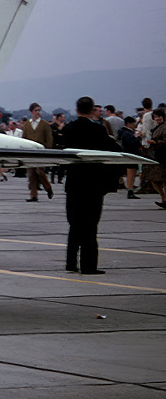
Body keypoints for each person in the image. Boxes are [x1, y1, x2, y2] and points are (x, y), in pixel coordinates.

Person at [58, 96, 118, 274]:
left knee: (75, 223)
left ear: (77, 110)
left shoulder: (68, 129)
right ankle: (88, 264)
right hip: (93, 183)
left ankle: (71, 262)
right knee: (90, 225)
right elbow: (114, 150)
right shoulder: (98, 130)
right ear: (92, 110)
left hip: (75, 181)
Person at [20, 103, 54, 200]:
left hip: (41, 152)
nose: (38, 112)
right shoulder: (27, 124)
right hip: (30, 153)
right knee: (31, 175)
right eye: (36, 110)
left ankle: (48, 187)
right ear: (31, 112)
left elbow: (49, 139)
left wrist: (48, 150)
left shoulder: (45, 124)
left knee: (40, 172)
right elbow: (24, 138)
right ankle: (33, 195)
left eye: (39, 110)